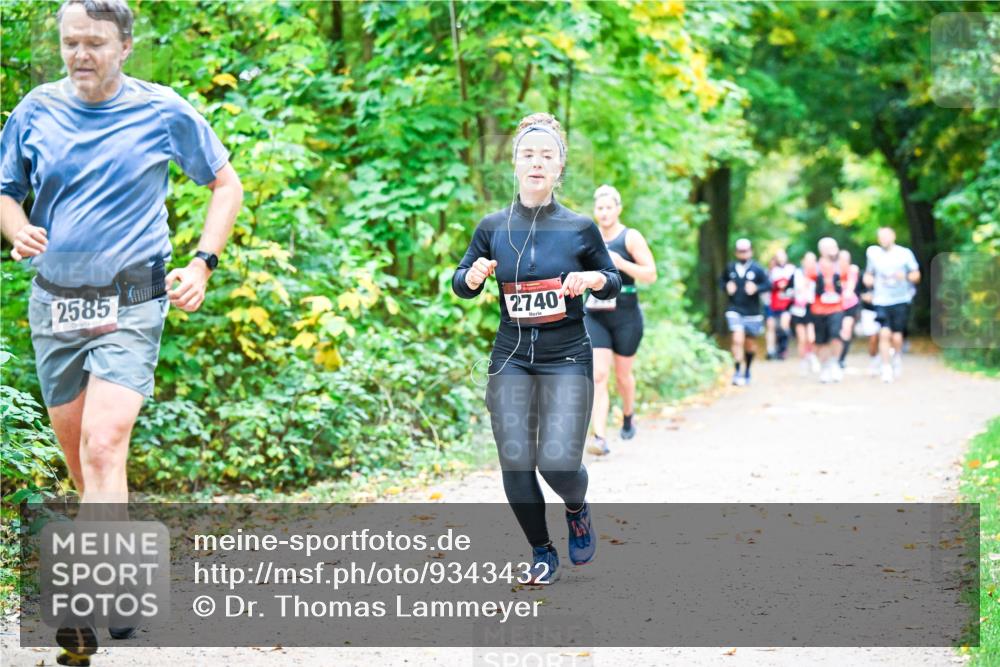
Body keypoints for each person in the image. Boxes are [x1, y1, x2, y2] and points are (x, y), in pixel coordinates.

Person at [0, 1, 242, 663]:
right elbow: (5, 190)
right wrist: (16, 227)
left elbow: (226, 183)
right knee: (86, 463)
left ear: (125, 45)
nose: (80, 54)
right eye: (70, 42)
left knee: (105, 446)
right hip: (56, 301)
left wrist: (202, 260)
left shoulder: (162, 110)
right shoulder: (35, 112)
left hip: (133, 296)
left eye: (95, 43)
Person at [452, 112, 620, 585]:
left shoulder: (580, 228)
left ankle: (576, 506)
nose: (537, 163)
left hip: (567, 355)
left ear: (559, 168)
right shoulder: (492, 226)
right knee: (515, 455)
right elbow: (460, 283)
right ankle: (542, 552)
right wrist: (471, 276)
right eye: (528, 154)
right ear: (515, 165)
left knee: (558, 462)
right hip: (510, 356)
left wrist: (592, 278)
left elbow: (613, 284)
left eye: (547, 156)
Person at [583, 184, 656, 456]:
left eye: (608, 208)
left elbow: (651, 274)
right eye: (599, 208)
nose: (603, 213)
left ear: (618, 209)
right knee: (598, 375)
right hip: (595, 313)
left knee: (623, 375)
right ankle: (599, 437)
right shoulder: (588, 236)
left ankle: (628, 414)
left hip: (626, 314)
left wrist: (620, 263)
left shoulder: (630, 237)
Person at [863, 227, 920, 383]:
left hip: (901, 299)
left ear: (893, 236)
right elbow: (869, 273)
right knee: (883, 333)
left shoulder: (904, 253)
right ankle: (886, 368)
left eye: (887, 236)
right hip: (881, 300)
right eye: (881, 237)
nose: (884, 239)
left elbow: (916, 275)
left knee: (896, 335)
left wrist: (906, 276)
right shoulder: (873, 254)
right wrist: (867, 279)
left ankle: (897, 357)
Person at [720, 238, 770, 386]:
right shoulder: (730, 268)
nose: (743, 254)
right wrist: (726, 286)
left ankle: (747, 370)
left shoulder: (757, 269)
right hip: (734, 309)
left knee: (750, 344)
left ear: (751, 251)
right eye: (740, 251)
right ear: (736, 252)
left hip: (753, 311)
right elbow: (721, 281)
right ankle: (736, 371)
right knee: (737, 338)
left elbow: (768, 284)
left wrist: (756, 288)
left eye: (746, 251)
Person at [809, 238, 845, 383]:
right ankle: (825, 367)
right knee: (821, 341)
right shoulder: (813, 267)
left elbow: (849, 284)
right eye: (830, 246)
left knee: (835, 335)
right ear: (822, 250)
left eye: (835, 246)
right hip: (818, 309)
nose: (834, 249)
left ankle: (835, 363)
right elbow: (806, 287)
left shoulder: (842, 266)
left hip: (836, 307)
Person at [790, 252, 820, 376]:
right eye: (808, 261)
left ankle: (812, 356)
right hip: (798, 309)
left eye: (812, 261)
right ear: (803, 262)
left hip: (812, 308)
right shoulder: (796, 274)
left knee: (811, 338)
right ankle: (803, 361)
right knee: (802, 339)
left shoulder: (818, 275)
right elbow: (787, 290)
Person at [765, 248, 795, 360]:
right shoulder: (772, 271)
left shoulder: (791, 269)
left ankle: (783, 349)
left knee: (783, 326)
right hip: (773, 304)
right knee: (773, 327)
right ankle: (773, 350)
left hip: (786, 303)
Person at [836, 249, 861, 369]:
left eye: (846, 259)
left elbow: (851, 286)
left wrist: (848, 292)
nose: (843, 262)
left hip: (850, 305)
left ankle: (841, 358)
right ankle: (834, 356)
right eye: (841, 259)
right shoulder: (833, 270)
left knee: (846, 330)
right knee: (836, 332)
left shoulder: (852, 270)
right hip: (835, 306)